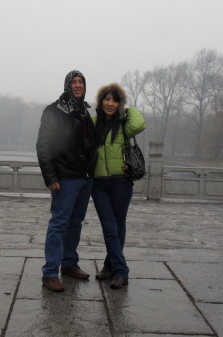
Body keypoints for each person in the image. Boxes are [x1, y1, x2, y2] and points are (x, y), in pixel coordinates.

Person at [36, 70, 97, 292]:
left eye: (81, 82)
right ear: (67, 85)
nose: (78, 85)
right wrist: (51, 177)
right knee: (59, 223)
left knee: (75, 222)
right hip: (65, 177)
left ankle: (69, 263)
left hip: (85, 178)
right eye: (74, 82)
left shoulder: (84, 111)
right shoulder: (54, 110)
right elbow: (43, 145)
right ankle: (50, 272)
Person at [91, 83, 146, 289]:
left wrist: (129, 108)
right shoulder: (93, 122)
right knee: (109, 226)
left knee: (118, 225)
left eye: (115, 100)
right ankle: (120, 269)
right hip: (98, 183)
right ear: (101, 101)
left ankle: (111, 266)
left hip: (121, 182)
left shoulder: (124, 123)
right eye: (107, 99)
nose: (110, 103)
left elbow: (139, 125)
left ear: (119, 103)